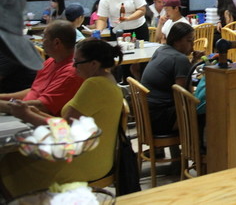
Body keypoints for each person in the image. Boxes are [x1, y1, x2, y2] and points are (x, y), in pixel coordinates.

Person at [0, 39, 123, 198]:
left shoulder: (94, 85)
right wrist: (33, 112)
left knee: (9, 161)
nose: (73, 67)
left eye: (77, 62)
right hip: (93, 156)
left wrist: (27, 115)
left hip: (81, 161)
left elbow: (64, 130)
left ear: (94, 64)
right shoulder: (106, 80)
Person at [0, 20, 84, 116]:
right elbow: (34, 91)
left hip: (39, 118)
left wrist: (5, 105)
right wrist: (3, 98)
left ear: (57, 43)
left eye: (44, 37)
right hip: (25, 112)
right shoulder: (51, 61)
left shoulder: (71, 73)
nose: (41, 41)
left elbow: (42, 107)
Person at [141, 22, 204, 135]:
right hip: (161, 119)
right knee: (205, 112)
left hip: (147, 115)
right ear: (176, 41)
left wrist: (193, 61)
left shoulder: (161, 50)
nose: (193, 44)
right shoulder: (180, 59)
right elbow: (185, 96)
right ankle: (196, 146)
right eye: (189, 40)